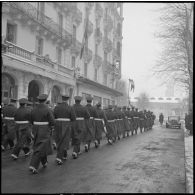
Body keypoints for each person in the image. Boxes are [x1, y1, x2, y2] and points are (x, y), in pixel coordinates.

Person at [29, 94, 55, 174]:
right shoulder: (48, 109)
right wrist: (51, 127)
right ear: (45, 100)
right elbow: (52, 121)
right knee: (40, 146)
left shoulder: (33, 109)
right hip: (44, 129)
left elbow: (31, 120)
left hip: (35, 128)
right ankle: (33, 165)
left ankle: (44, 162)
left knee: (40, 145)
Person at [53, 95, 76, 165]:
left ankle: (64, 154)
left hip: (58, 124)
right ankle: (59, 157)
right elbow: (73, 118)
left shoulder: (56, 107)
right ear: (67, 100)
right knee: (64, 140)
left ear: (62, 99)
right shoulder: (70, 108)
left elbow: (54, 116)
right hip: (66, 125)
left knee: (59, 139)